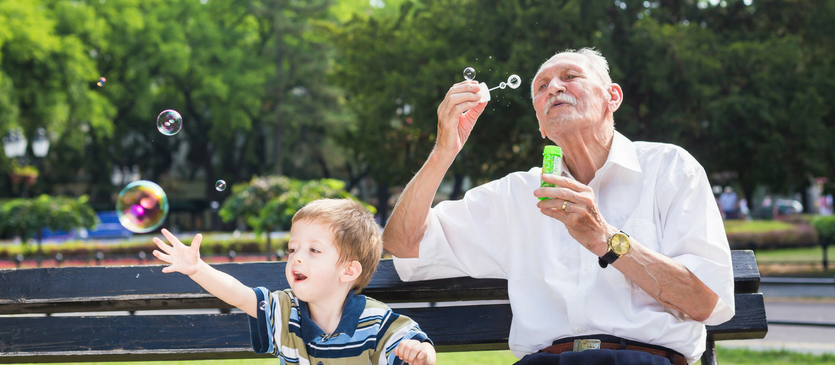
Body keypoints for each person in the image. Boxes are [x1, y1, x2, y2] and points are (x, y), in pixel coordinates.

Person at [383, 48, 734, 365]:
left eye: (570, 77)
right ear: (539, 122)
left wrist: (604, 239)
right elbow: (402, 243)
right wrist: (445, 149)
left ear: (612, 97)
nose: (553, 88)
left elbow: (703, 301)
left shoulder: (670, 168)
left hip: (643, 360)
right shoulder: (517, 194)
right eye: (541, 86)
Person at [153, 199, 436, 365]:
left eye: (313, 250)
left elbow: (415, 344)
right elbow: (239, 295)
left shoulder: (374, 320)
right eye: (293, 249)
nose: (296, 258)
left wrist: (422, 353)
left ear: (349, 271)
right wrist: (197, 269)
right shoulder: (286, 310)